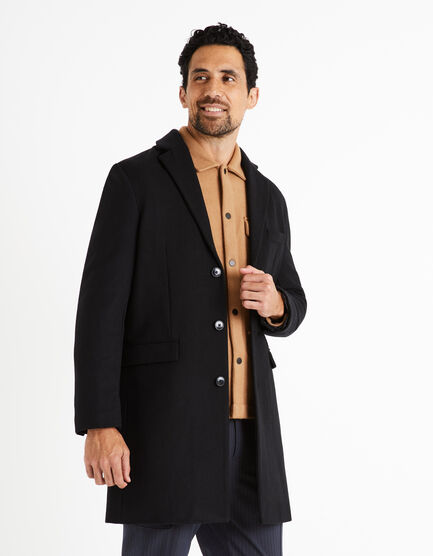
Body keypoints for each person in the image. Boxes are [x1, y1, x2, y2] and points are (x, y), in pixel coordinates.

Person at [74, 22, 307, 556]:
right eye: (200, 77)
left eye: (228, 77)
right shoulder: (135, 181)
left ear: (251, 95)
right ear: (183, 93)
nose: (212, 89)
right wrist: (100, 423)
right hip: (164, 429)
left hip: (251, 438)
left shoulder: (268, 196)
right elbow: (99, 312)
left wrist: (276, 304)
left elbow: (292, 299)